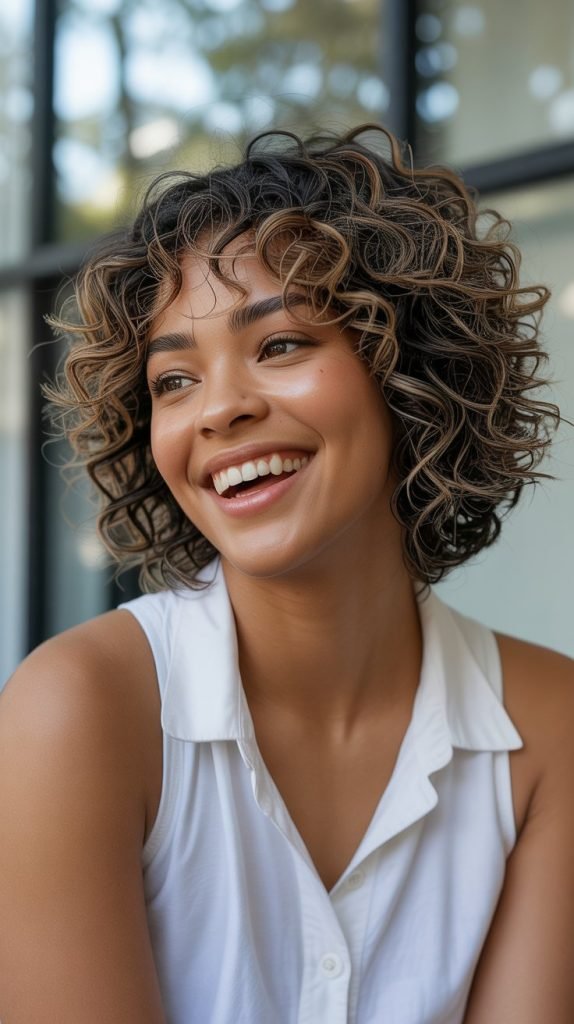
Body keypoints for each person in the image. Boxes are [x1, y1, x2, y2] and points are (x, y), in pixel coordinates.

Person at [0, 124, 572, 1024]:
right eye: (174, 381)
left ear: (411, 373)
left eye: (279, 346)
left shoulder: (551, 729)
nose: (219, 410)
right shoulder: (79, 709)